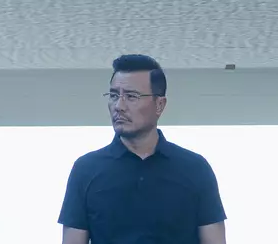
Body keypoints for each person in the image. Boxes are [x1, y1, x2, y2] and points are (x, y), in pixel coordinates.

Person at [58, 54, 227, 244]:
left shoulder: (195, 168)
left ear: (160, 105)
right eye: (114, 95)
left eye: (131, 96)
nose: (119, 106)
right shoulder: (86, 169)